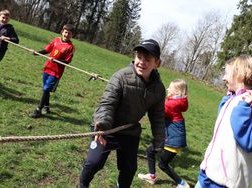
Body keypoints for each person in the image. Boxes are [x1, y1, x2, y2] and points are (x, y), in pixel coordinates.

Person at [79, 39, 166, 188]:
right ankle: (82, 183)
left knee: (129, 169)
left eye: (147, 59)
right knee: (94, 162)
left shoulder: (159, 89)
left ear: (157, 63)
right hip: (106, 127)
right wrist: (102, 123)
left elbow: (157, 117)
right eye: (139, 57)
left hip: (129, 131)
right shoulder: (121, 76)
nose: (141, 62)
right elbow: (107, 103)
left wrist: (159, 138)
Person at [195, 55, 252, 188]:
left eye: (226, 73)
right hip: (207, 173)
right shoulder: (236, 98)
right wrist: (227, 101)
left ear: (240, 74)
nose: (223, 78)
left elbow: (250, 141)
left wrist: (242, 108)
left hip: (225, 183)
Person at [138, 79, 190, 188]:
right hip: (172, 137)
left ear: (176, 92)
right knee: (150, 151)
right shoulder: (177, 101)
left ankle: (183, 184)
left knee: (163, 164)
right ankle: (152, 177)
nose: (167, 89)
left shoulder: (171, 104)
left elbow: (157, 112)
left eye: (170, 87)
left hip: (173, 140)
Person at [29, 24, 75, 118]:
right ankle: (47, 107)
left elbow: (67, 61)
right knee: (46, 89)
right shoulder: (56, 40)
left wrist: (56, 60)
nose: (67, 35)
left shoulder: (70, 47)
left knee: (46, 89)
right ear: (62, 32)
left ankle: (38, 110)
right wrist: (37, 53)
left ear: (71, 35)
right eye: (65, 32)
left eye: (69, 33)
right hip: (47, 68)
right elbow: (47, 50)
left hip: (56, 72)